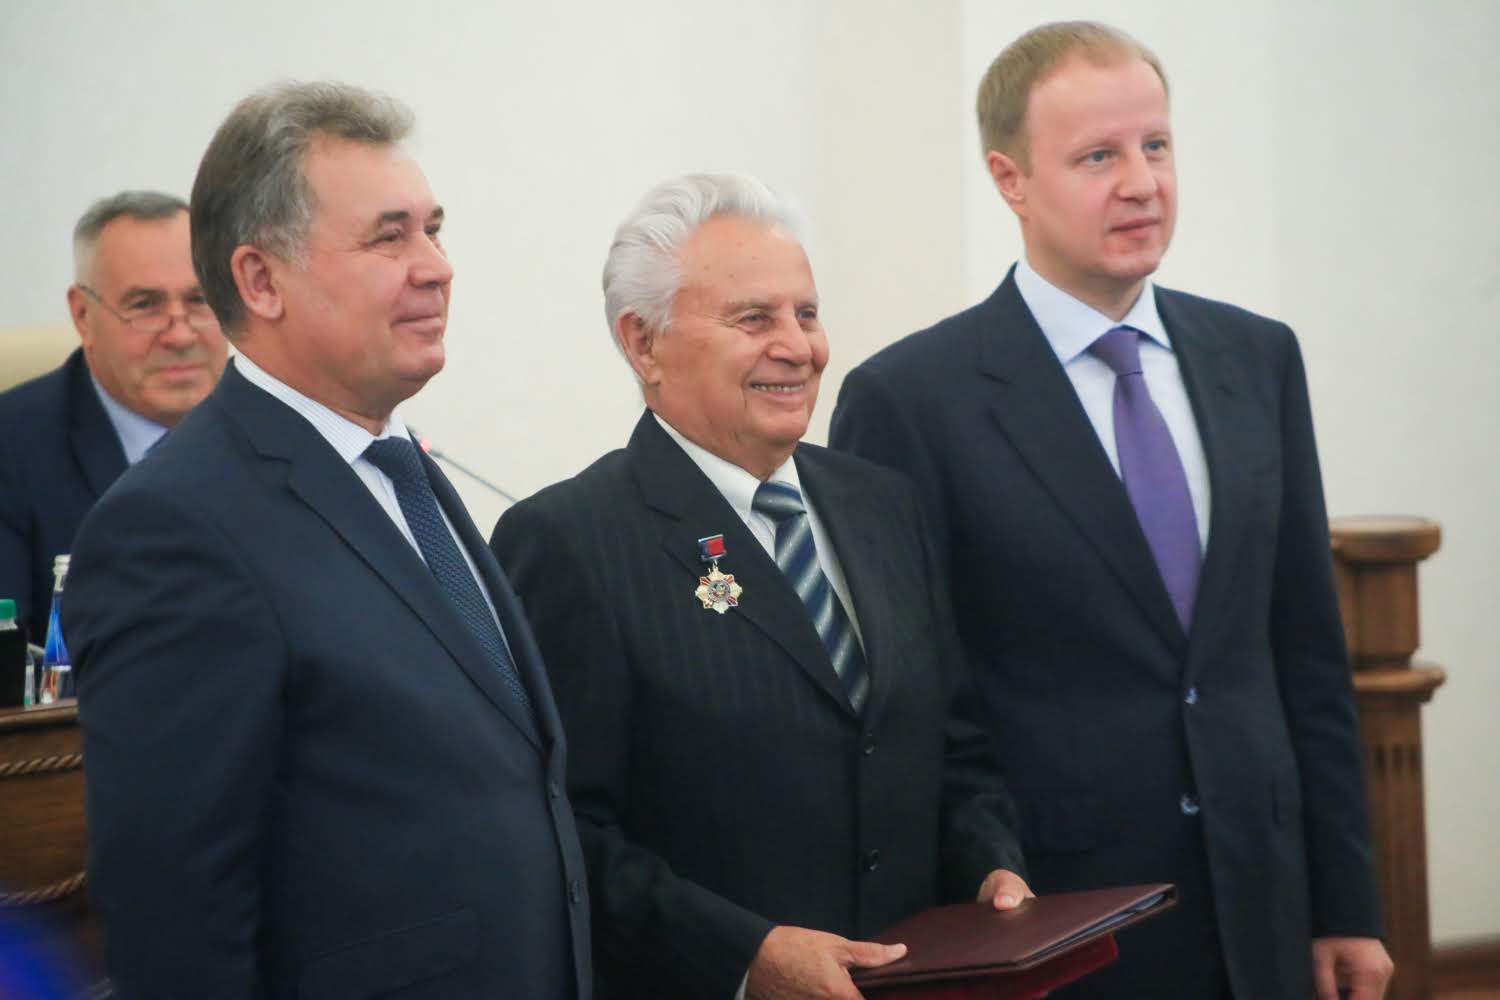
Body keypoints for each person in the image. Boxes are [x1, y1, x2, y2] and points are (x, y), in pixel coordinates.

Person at [831, 21, 1392, 1000]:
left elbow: (1307, 650)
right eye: (1098, 156)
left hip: (1264, 905)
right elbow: (914, 706)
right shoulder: (911, 399)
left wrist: (1346, 903)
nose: (1142, 183)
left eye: (1156, 145)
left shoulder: (1257, 358)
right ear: (1010, 179)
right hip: (1057, 920)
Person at [62, 82, 591, 999]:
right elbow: (174, 910)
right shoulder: (174, 527)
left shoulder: (400, 467)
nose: (436, 267)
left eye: (434, 229)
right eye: (390, 237)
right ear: (261, 280)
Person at [490, 174, 1030, 1000]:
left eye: (806, 314)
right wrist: (747, 957)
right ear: (643, 343)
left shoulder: (881, 505)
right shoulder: (571, 541)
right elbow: (566, 832)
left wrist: (990, 864)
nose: (799, 347)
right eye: (754, 319)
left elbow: (953, 747)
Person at [0, 191, 226, 640]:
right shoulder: (11, 450)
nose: (181, 335)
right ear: (83, 315)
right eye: (145, 305)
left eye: (200, 299)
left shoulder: (284, 426)